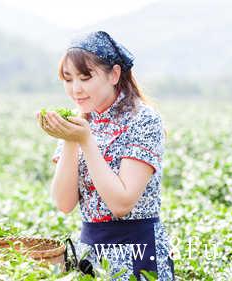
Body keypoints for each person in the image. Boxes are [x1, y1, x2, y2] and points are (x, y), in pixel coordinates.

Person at [36, 31, 175, 280]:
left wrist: (85, 141)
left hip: (138, 253)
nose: (75, 89)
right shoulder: (77, 120)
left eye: (85, 77)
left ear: (114, 74)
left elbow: (122, 204)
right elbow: (64, 203)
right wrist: (70, 139)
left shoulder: (143, 120)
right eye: (68, 79)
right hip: (90, 254)